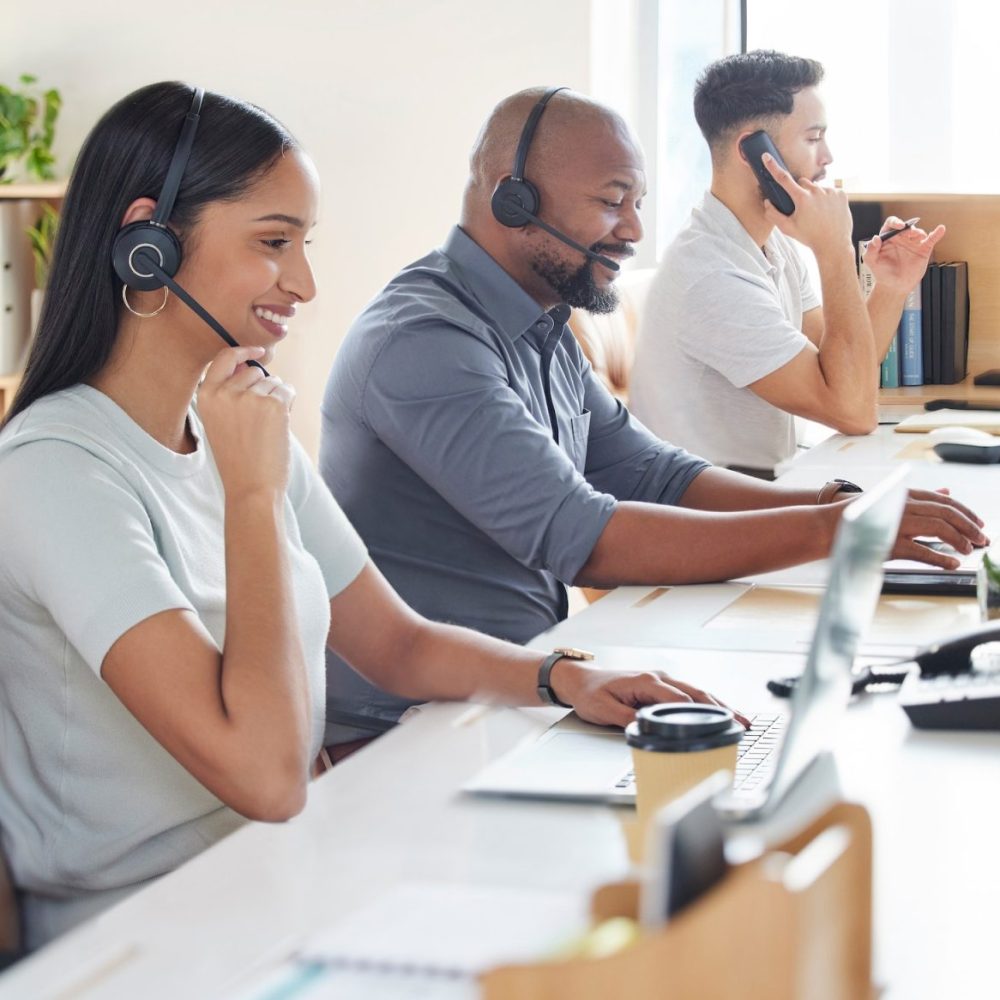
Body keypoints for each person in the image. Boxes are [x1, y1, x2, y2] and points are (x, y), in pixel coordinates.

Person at [0, 82, 736, 951]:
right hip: (150, 937)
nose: (305, 283)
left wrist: (563, 680)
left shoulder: (229, 426)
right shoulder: (58, 472)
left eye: (305, 244)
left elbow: (397, 643)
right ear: (148, 245)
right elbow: (267, 777)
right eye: (274, 243)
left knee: (621, 911)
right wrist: (249, 496)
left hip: (290, 874)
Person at [319, 86, 986, 744]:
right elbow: (585, 540)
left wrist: (830, 501)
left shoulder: (536, 320)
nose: (635, 230)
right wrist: (832, 531)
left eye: (637, 204)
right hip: (412, 728)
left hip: (532, 683)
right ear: (510, 196)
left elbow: (650, 473)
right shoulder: (425, 342)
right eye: (612, 203)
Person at [629, 50, 944, 476]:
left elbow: (840, 372)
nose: (828, 156)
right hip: (713, 519)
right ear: (754, 151)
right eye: (813, 139)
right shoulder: (710, 276)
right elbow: (852, 410)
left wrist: (890, 287)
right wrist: (834, 249)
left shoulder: (772, 245)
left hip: (763, 492)